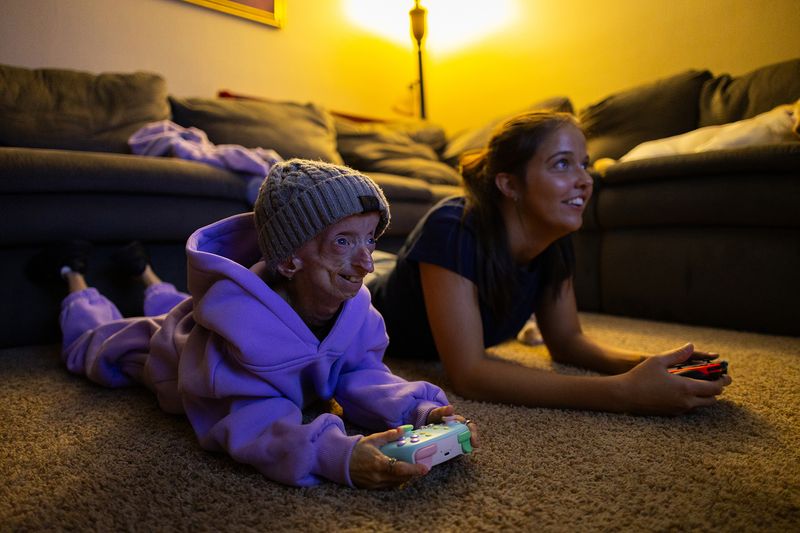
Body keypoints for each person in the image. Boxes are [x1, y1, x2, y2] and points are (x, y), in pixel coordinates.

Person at [38, 159, 478, 489]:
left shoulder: (358, 309)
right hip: (173, 348)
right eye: (343, 241)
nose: (366, 263)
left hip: (208, 309)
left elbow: (360, 371)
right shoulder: (237, 336)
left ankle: (142, 270)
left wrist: (416, 410)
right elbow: (253, 421)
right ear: (289, 260)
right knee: (97, 347)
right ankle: (71, 275)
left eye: (370, 239)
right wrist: (334, 454)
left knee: (179, 298)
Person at [368, 112, 732, 416]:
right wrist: (621, 392)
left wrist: (651, 363)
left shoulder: (554, 239)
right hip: (373, 303)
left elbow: (567, 341)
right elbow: (469, 374)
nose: (585, 180)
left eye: (584, 165)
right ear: (509, 185)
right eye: (562, 164)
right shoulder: (453, 226)